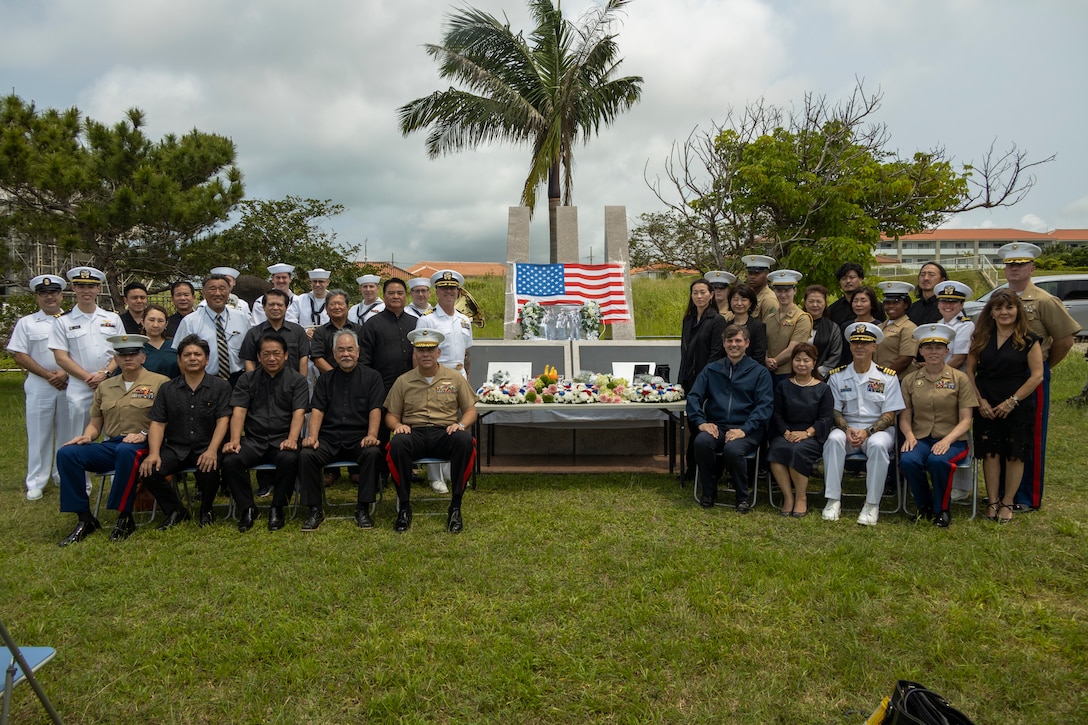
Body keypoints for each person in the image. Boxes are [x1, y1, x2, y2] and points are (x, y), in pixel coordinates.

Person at [56, 335, 169, 545]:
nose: (128, 358)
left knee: (126, 451)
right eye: (123, 355)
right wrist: (87, 436)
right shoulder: (105, 387)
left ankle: (125, 517)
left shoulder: (160, 382)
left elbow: (169, 420)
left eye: (133, 354)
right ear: (116, 359)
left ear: (143, 357)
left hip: (147, 443)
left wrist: (143, 434)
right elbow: (95, 423)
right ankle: (84, 518)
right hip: (113, 443)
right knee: (67, 454)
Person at [997, 242, 1081, 511]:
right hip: (1000, 374)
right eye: (1010, 265)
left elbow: (1066, 340)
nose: (1015, 269)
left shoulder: (1045, 301)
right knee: (1002, 434)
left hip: (1031, 375)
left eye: (1020, 264)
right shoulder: (999, 299)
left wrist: (1044, 366)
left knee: (1030, 436)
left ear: (1032, 268)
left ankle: (1025, 497)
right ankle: (1000, 492)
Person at [384, 329, 478, 533]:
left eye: (430, 350)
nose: (425, 354)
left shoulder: (454, 378)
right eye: (421, 350)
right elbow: (391, 415)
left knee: (464, 441)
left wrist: (461, 425)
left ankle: (455, 507)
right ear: (415, 354)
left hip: (444, 433)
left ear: (438, 352)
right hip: (414, 433)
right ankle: (405, 508)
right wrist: (397, 426)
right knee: (397, 444)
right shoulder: (403, 381)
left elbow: (470, 411)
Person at [139, 334, 233, 528]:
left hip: (206, 445)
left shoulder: (221, 386)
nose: (192, 358)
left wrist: (212, 450)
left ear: (207, 360)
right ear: (179, 360)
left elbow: (223, 420)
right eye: (187, 354)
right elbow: (157, 422)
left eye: (197, 354)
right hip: (176, 447)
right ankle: (175, 510)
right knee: (149, 470)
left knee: (210, 468)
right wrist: (154, 453)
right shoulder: (167, 388)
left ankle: (206, 509)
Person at [966, 290, 1044, 523]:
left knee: (1014, 454)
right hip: (986, 403)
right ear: (991, 312)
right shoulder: (980, 337)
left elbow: (1037, 375)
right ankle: (992, 501)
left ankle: (1007, 502)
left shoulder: (1029, 339)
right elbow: (969, 371)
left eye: (1009, 307)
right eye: (998, 308)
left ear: (1018, 310)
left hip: (1016, 404)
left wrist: (1012, 401)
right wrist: (979, 400)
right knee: (990, 453)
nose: (1004, 312)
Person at [221, 333, 310, 532]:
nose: (272, 358)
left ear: (286, 355)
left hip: (283, 439)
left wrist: (292, 439)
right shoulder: (247, 379)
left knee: (289, 459)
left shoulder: (297, 380)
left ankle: (277, 508)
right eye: (266, 354)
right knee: (230, 460)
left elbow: (299, 413)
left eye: (276, 353)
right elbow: (239, 411)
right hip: (254, 440)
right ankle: (247, 508)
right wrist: (235, 440)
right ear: (259, 357)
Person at [299, 329, 386, 531]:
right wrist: (312, 436)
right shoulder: (325, 379)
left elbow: (375, 409)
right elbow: (317, 410)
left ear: (358, 351)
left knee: (372, 453)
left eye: (349, 349)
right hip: (329, 438)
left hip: (359, 438)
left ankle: (363, 508)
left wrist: (372, 435)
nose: (346, 354)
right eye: (341, 350)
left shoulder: (372, 377)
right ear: (334, 353)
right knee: (306, 454)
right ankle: (315, 510)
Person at [821, 322, 904, 526]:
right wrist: (847, 428)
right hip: (846, 427)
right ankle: (833, 500)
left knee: (877, 445)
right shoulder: (838, 376)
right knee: (833, 440)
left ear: (874, 347)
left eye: (865, 343)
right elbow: (834, 410)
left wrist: (867, 432)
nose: (860, 347)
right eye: (856, 342)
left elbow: (890, 414)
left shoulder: (887, 377)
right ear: (850, 346)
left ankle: (871, 504)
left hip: (877, 430)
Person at [686, 324, 774, 513]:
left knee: (733, 450)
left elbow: (764, 406)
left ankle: (742, 496)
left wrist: (745, 429)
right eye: (729, 341)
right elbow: (694, 397)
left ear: (747, 343)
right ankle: (709, 492)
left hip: (747, 429)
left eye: (738, 341)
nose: (734, 345)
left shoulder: (759, 372)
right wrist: (701, 423)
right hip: (717, 426)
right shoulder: (712, 370)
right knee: (701, 442)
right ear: (724, 344)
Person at [899, 324, 979, 527]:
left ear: (947, 351)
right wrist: (909, 436)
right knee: (908, 460)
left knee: (937, 461)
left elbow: (966, 420)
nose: (933, 351)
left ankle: (942, 509)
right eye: (928, 347)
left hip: (953, 440)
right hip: (921, 438)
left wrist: (947, 440)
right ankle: (924, 505)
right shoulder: (910, 380)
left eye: (938, 347)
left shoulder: (960, 379)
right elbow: (905, 416)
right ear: (920, 351)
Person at [8, 274, 70, 501]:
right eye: (44, 293)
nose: (50, 297)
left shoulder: (71, 320)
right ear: (37, 297)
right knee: (39, 433)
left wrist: (64, 373)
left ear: (61, 295)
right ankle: (36, 481)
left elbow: (78, 351)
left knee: (67, 432)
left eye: (54, 292)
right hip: (39, 383)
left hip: (67, 382)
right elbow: (19, 355)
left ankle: (63, 474)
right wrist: (47, 375)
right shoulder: (27, 323)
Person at [49, 266, 123, 448]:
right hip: (79, 386)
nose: (86, 291)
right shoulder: (63, 321)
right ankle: (81, 478)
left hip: (109, 384)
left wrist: (105, 373)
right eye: (81, 286)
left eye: (90, 286)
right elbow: (61, 357)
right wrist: (87, 377)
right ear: (73, 288)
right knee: (79, 437)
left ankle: (116, 477)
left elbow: (120, 351)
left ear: (98, 289)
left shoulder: (112, 318)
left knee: (114, 436)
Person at [415, 270, 475, 493]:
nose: (449, 292)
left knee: (458, 424)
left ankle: (452, 470)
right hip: (435, 376)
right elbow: (418, 353)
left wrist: (467, 379)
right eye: (444, 288)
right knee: (435, 424)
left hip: (459, 376)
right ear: (436, 292)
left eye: (453, 288)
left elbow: (467, 354)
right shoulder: (427, 319)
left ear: (458, 292)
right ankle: (435, 476)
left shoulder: (464, 319)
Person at [767, 343, 833, 517]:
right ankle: (788, 497)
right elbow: (777, 414)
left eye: (806, 360)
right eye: (797, 360)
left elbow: (826, 418)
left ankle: (801, 497)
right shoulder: (783, 386)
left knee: (797, 450)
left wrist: (806, 433)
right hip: (787, 433)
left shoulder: (823, 388)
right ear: (792, 362)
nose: (801, 364)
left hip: (811, 436)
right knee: (777, 448)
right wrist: (786, 432)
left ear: (814, 363)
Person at [678, 277, 727, 480]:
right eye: (695, 293)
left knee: (703, 424)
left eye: (703, 292)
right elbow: (685, 353)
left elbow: (716, 354)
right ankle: (693, 468)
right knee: (692, 424)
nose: (699, 296)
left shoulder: (717, 320)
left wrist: (701, 380)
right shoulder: (688, 320)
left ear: (711, 295)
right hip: (688, 381)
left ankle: (700, 469)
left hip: (708, 382)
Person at [173, 273, 250, 385]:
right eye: (212, 289)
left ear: (229, 292)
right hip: (204, 381)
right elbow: (181, 357)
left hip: (238, 380)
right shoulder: (190, 321)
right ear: (204, 293)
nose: (217, 293)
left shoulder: (243, 318)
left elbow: (249, 352)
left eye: (222, 289)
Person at [240, 288, 309, 377]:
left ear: (286, 308)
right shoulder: (253, 333)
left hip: (292, 385)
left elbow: (303, 359)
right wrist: (253, 385)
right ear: (264, 307)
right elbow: (249, 361)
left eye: (279, 305)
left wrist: (301, 384)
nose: (275, 308)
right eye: (271, 304)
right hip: (262, 385)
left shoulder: (298, 331)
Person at [765, 270, 812, 381]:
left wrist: (774, 362)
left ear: (794, 291)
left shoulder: (802, 318)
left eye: (787, 290)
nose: (783, 294)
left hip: (789, 373)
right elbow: (764, 344)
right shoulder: (769, 318)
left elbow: (794, 348)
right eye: (779, 290)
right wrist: (766, 359)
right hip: (767, 372)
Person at [309, 290, 360, 374]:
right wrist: (335, 376)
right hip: (329, 380)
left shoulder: (359, 330)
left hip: (357, 378)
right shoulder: (320, 332)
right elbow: (318, 359)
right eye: (332, 304)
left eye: (340, 304)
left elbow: (364, 357)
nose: (336, 307)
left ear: (347, 307)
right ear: (326, 309)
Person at [875, 281, 918, 376]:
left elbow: (905, 360)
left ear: (906, 304)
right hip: (878, 379)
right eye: (887, 302)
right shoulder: (880, 326)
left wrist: (886, 376)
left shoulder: (909, 327)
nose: (890, 306)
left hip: (899, 379)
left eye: (896, 302)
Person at [804, 284, 843, 379]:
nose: (815, 305)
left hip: (822, 377)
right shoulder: (796, 323)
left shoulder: (833, 328)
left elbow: (835, 354)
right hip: (794, 374)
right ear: (805, 303)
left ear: (825, 303)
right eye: (811, 301)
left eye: (819, 301)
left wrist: (818, 372)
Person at [827, 263, 884, 327]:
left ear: (861, 279)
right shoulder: (833, 310)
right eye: (844, 278)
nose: (848, 281)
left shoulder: (876, 307)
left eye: (852, 277)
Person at [724, 284, 767, 367]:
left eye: (743, 300)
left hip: (751, 371)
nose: (739, 303)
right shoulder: (725, 326)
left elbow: (759, 356)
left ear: (750, 303)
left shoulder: (758, 327)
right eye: (735, 300)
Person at [934, 281, 974, 370]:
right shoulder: (938, 324)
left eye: (953, 302)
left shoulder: (966, 326)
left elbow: (959, 359)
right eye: (944, 301)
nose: (948, 305)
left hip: (954, 378)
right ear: (938, 304)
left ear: (962, 305)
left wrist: (936, 374)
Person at [141, 304, 180, 379]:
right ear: (143, 322)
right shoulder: (137, 348)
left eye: (160, 321)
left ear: (166, 324)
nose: (155, 325)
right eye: (151, 320)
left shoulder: (175, 345)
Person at [288, 268, 332, 334]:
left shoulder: (334, 300)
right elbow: (290, 320)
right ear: (310, 283)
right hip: (304, 340)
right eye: (314, 281)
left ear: (327, 282)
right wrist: (304, 332)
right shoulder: (300, 300)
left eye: (321, 281)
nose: (317, 284)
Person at [741, 254, 778, 322]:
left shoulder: (769, 300)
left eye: (757, 273)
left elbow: (770, 329)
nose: (752, 277)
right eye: (750, 273)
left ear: (766, 274)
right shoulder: (748, 295)